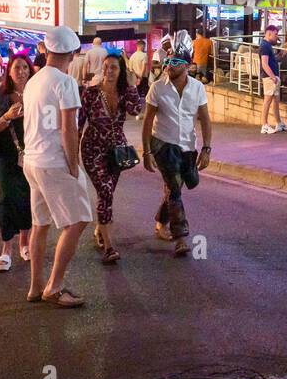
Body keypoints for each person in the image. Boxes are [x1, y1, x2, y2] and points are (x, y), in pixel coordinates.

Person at [23, 25, 96, 308]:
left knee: (39, 224)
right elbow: (69, 128)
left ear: (47, 50)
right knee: (78, 219)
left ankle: (35, 286)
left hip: (33, 160)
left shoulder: (34, 81)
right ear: (73, 53)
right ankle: (54, 286)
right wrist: (73, 163)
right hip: (54, 161)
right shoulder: (65, 83)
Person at [143, 40, 212, 257]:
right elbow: (147, 122)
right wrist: (146, 152)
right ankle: (181, 237)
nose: (168, 66)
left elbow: (205, 119)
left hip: (187, 146)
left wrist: (206, 149)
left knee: (182, 185)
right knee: (174, 188)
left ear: (187, 65)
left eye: (174, 62)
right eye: (168, 61)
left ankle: (160, 220)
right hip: (163, 144)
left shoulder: (197, 88)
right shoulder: (157, 88)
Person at [80, 52, 143, 265]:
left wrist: (133, 86)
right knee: (105, 190)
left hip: (116, 151)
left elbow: (136, 110)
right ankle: (108, 246)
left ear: (120, 71)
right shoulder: (90, 94)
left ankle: (100, 227)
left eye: (114, 67)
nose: (108, 71)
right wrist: (69, 153)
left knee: (107, 193)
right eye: (106, 67)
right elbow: (79, 124)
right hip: (92, 148)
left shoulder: (125, 93)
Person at [0, 54, 32, 272]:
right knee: (6, 199)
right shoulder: (0, 95)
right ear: (9, 71)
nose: (21, 71)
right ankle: (7, 249)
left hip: (33, 154)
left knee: (28, 198)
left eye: (25, 67)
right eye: (17, 67)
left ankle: (25, 243)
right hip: (8, 154)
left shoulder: (36, 93)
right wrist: (7, 116)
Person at [258, 26, 287, 134]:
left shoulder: (267, 46)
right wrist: (272, 77)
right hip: (270, 77)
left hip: (272, 76)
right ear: (269, 33)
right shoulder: (265, 46)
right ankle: (264, 125)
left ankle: (278, 123)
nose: (277, 37)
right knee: (268, 100)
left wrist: (280, 55)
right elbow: (264, 64)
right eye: (275, 34)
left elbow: (269, 61)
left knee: (275, 100)